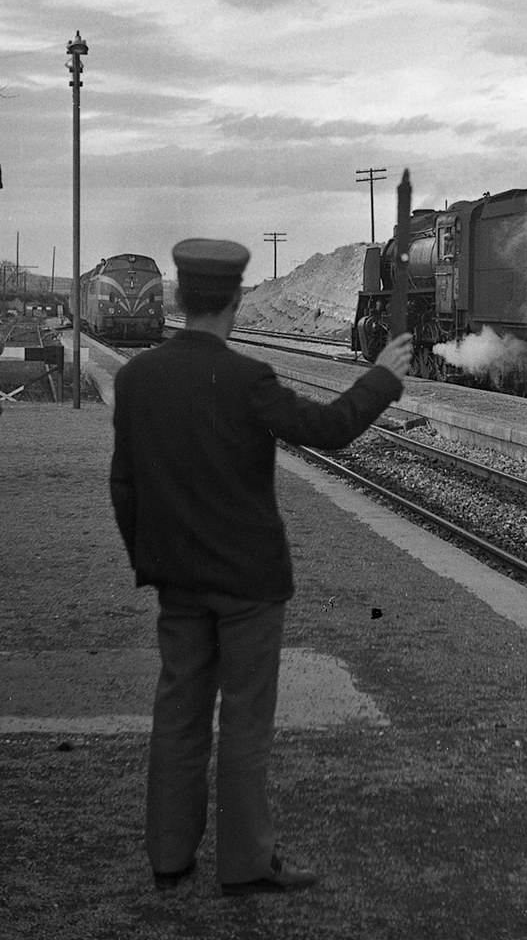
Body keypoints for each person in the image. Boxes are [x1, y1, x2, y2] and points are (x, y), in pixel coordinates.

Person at [109, 238, 412, 896]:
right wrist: (382, 377)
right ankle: (245, 863)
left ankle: (169, 857)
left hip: (178, 583)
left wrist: (151, 561)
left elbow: (124, 485)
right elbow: (331, 428)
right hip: (249, 586)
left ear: (180, 300)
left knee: (178, 712)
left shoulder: (136, 379)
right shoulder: (249, 382)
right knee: (245, 721)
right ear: (238, 300)